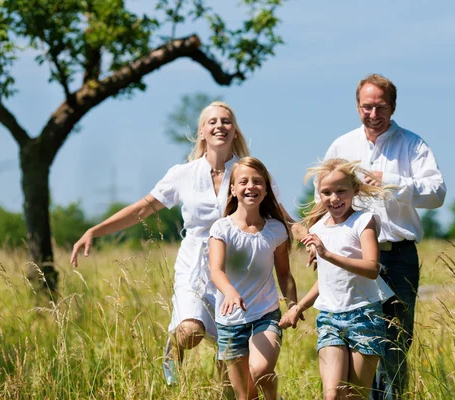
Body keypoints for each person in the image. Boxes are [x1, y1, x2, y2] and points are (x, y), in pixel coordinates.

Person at [70, 101, 291, 386]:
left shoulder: (246, 172)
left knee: (232, 373)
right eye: (212, 122)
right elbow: (143, 208)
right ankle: (173, 348)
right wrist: (96, 231)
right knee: (190, 329)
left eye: (226, 121)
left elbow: (279, 213)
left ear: (235, 131)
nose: (219, 126)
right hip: (196, 266)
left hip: (237, 270)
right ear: (201, 131)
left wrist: (310, 236)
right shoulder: (182, 174)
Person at [321, 74, 446, 398]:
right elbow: (325, 195)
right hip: (351, 257)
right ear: (357, 105)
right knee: (355, 339)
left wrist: (389, 180)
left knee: (394, 342)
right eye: (366, 107)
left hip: (398, 254)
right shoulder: (342, 145)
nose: (373, 114)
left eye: (380, 107)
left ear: (392, 106)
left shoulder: (412, 144)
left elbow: (437, 194)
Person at [280, 158, 394, 400]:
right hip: (330, 318)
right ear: (319, 195)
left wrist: (328, 254)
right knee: (333, 394)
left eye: (341, 191)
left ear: (355, 190)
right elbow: (326, 280)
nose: (334, 198)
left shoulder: (364, 221)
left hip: (365, 315)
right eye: (326, 192)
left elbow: (372, 268)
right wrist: (299, 307)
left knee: (356, 395)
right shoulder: (319, 229)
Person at [209, 156, 298, 400]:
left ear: (266, 188)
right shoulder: (221, 228)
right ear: (233, 188)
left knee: (260, 370)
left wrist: (293, 305)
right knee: (246, 395)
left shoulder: (276, 230)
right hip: (230, 321)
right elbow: (216, 270)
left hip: (265, 314)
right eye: (244, 181)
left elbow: (284, 273)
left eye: (257, 181)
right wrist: (230, 291)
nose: (251, 186)